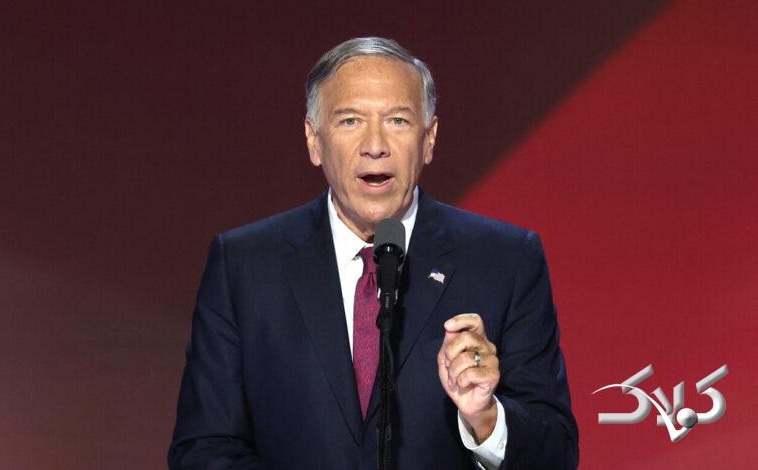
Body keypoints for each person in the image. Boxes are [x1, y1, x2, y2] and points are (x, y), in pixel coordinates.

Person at [168, 37, 578, 470]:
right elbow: (202, 450)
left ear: (429, 139)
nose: (375, 144)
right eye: (350, 121)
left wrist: (486, 419)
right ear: (314, 140)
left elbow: (557, 453)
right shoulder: (244, 266)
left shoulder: (506, 261)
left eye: (398, 120)